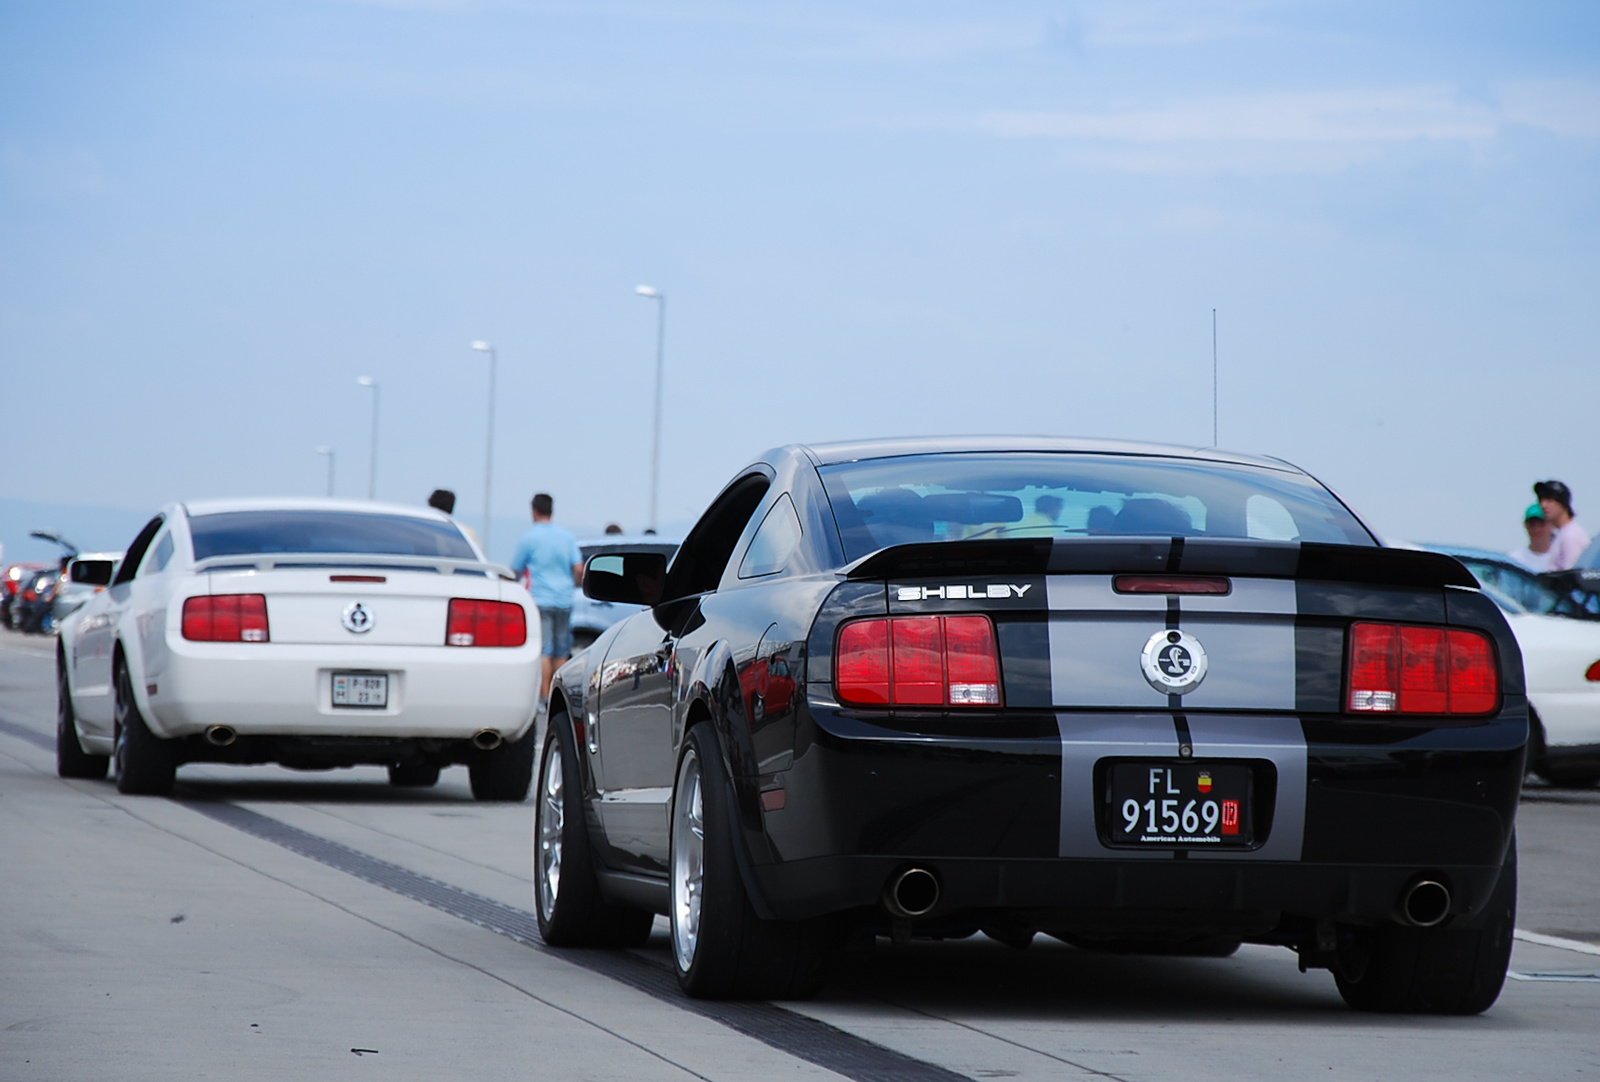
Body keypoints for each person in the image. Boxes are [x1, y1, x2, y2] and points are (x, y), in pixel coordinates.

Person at [509, 493, 584, 705]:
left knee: (545, 650)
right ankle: (559, 695)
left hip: (541, 600)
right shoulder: (567, 537)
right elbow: (578, 568)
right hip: (564, 599)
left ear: (534, 510)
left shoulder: (529, 538)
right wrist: (574, 583)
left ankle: (545, 696)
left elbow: (515, 570)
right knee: (561, 650)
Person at [1536, 480, 1592, 573]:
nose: (1543, 505)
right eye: (1541, 500)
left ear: (1562, 503)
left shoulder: (1571, 535)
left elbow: (1573, 578)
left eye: (1550, 500)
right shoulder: (1563, 533)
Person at [1507, 503, 1556, 573]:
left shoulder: (1563, 557)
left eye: (1542, 524)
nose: (1536, 529)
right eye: (1532, 524)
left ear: (1552, 525)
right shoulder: (1514, 560)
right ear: (1525, 526)